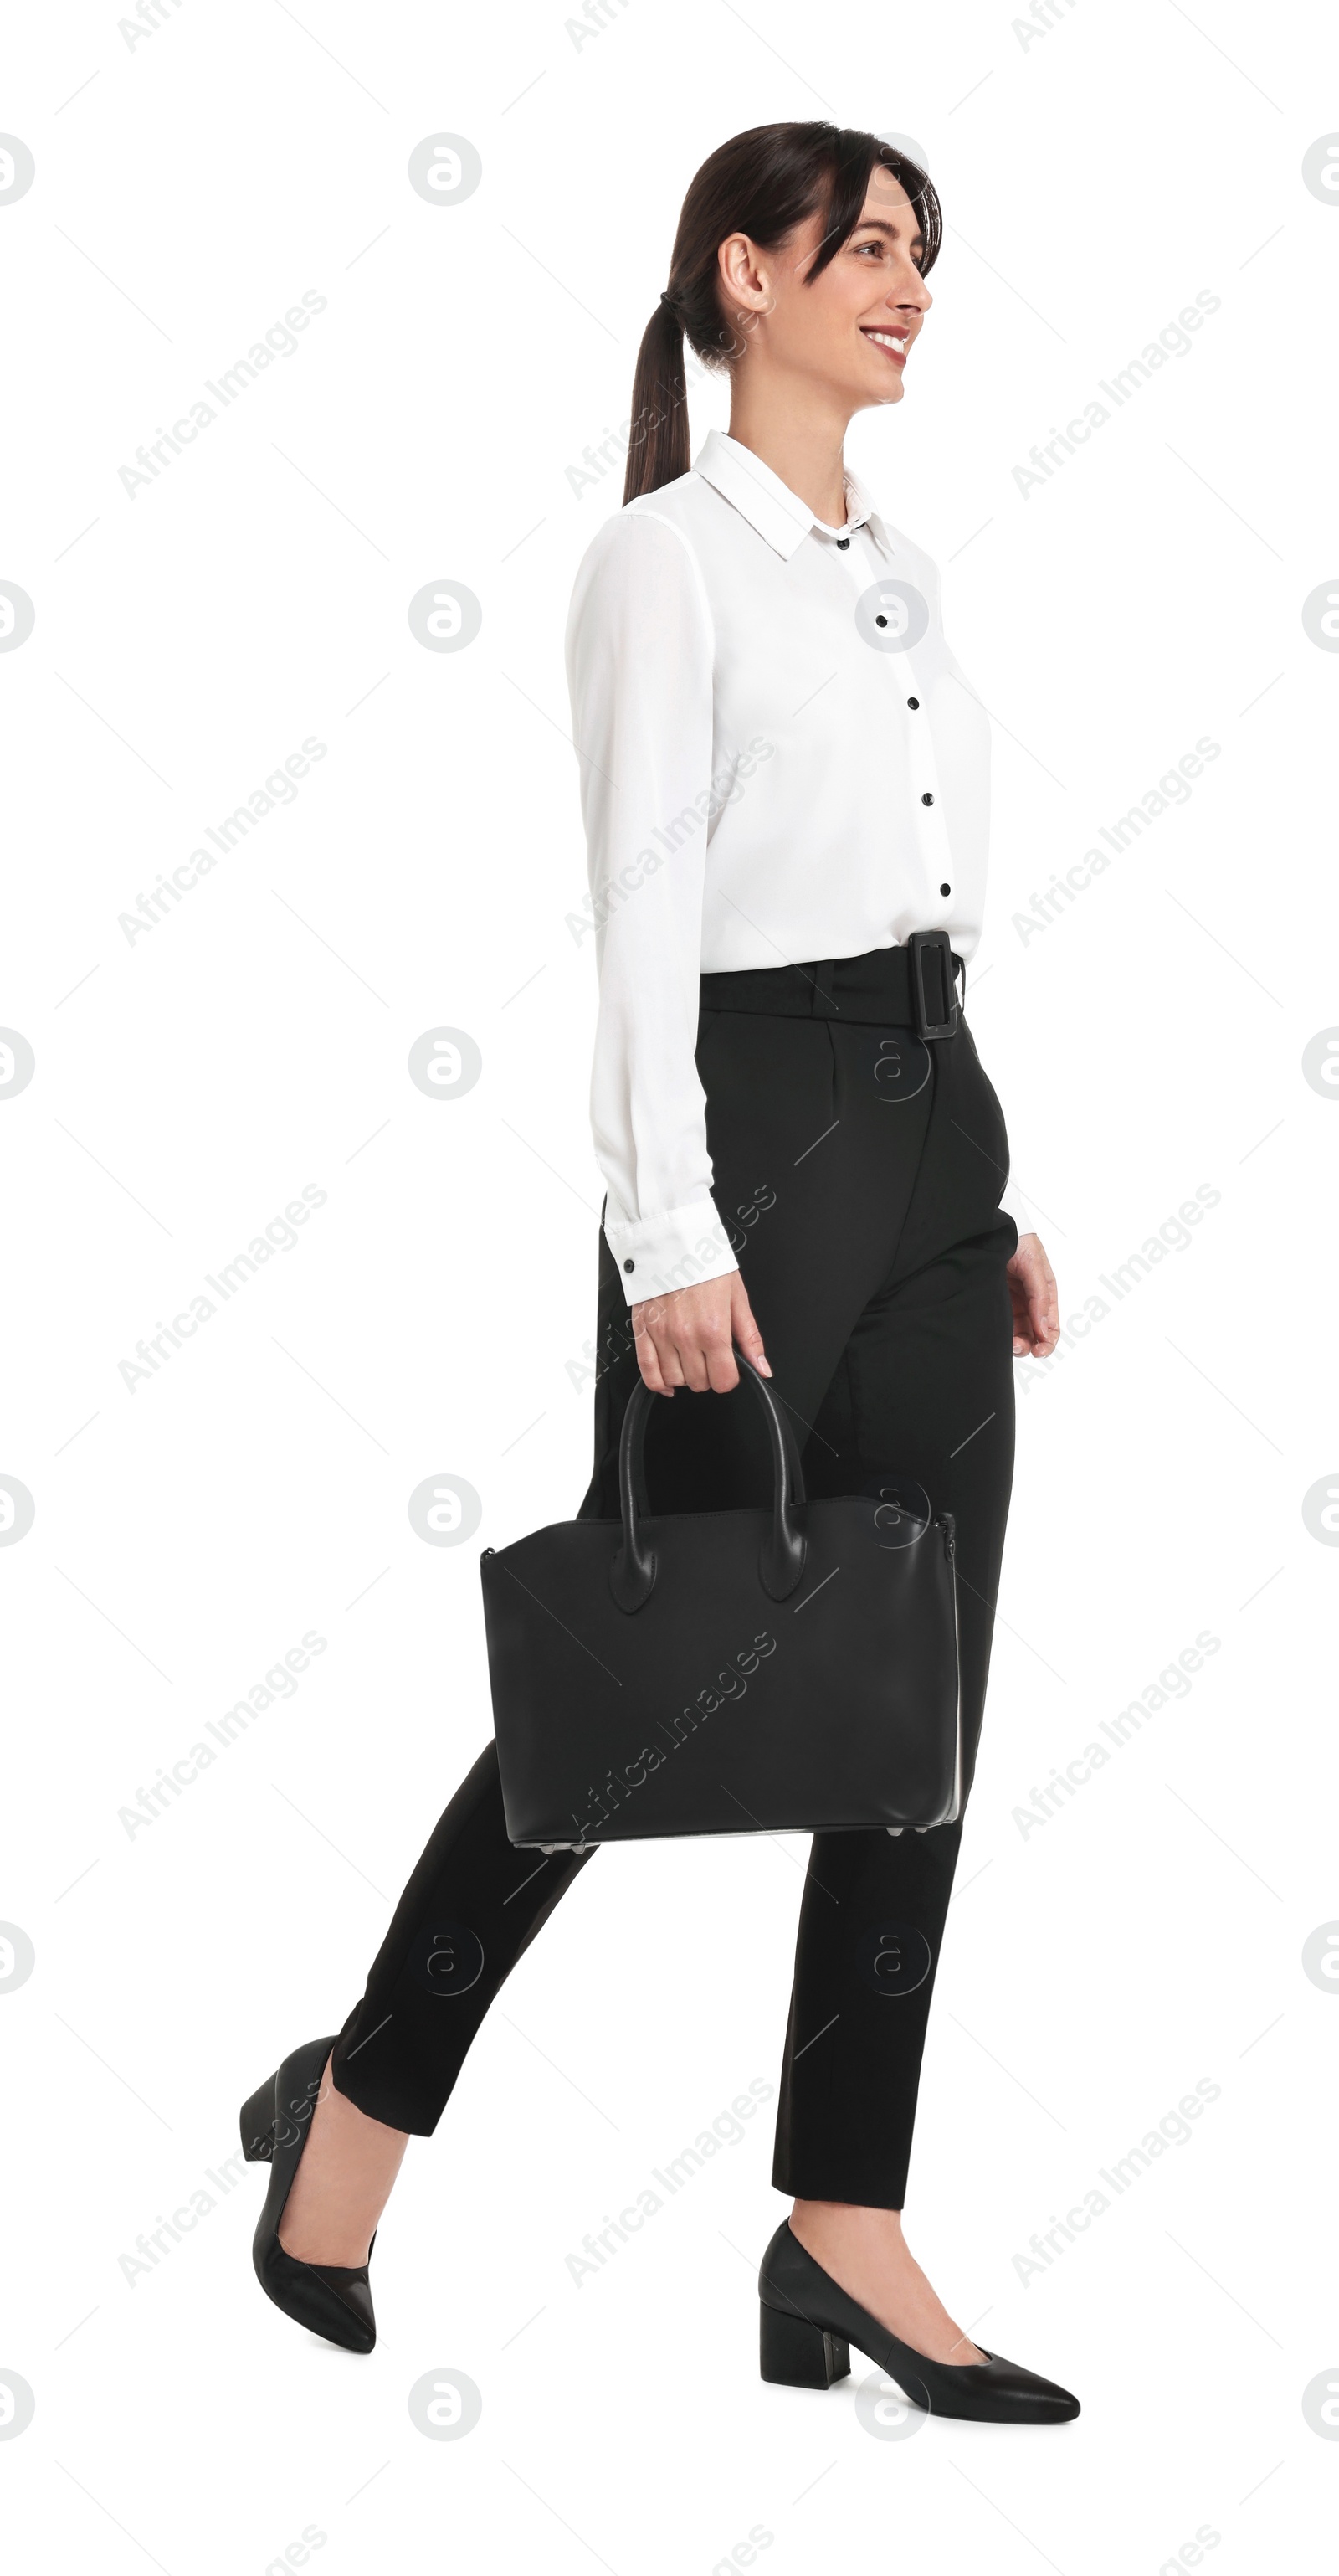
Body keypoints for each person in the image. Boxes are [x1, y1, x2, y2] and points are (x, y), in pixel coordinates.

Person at [239, 121, 1076, 2424]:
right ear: (748, 273)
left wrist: (977, 1197)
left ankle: (845, 2220)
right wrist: (667, 1223)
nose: (911, 285)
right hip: (754, 1135)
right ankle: (352, 2128)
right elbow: (634, 907)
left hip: (929, 1125)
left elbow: (913, 902)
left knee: (918, 1705)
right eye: (870, 248)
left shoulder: (897, 563)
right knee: (652, 1684)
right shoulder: (660, 562)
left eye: (928, 250)